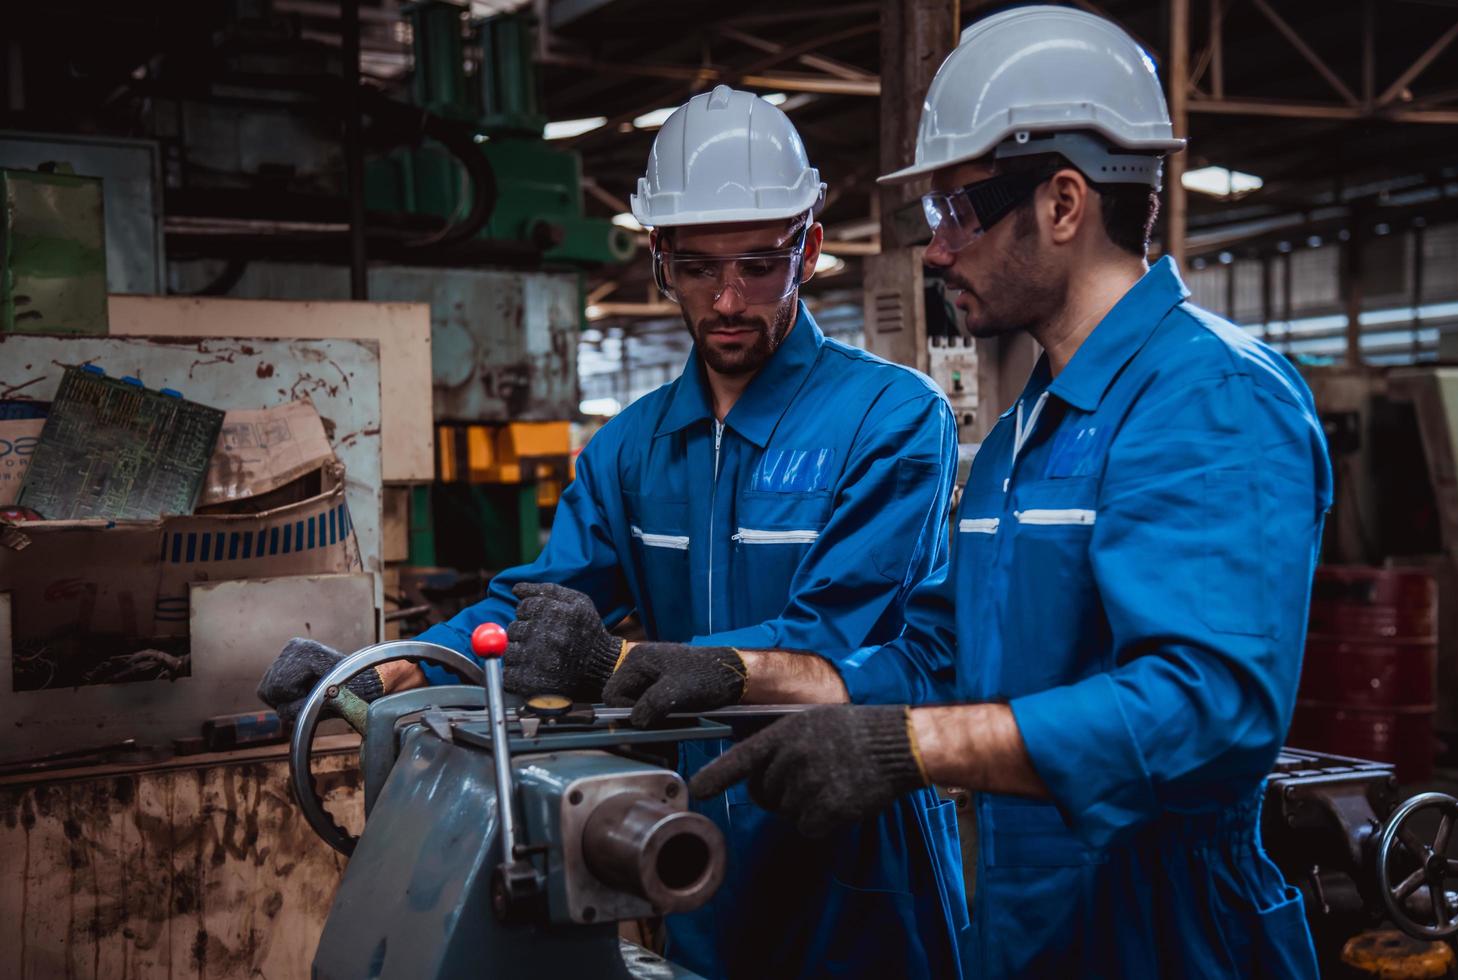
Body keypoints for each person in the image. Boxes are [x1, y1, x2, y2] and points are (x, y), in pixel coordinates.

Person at [512, 8, 1333, 977]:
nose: (936, 249)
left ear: (1064, 203)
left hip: (1170, 925)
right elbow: (942, 654)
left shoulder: (1210, 395)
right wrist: (741, 674)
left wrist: (910, 747)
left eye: (956, 211)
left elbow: (1210, 708)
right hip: (1036, 913)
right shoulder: (1038, 419)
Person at [257, 84, 966, 979]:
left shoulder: (892, 418)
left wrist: (624, 665)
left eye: (757, 262)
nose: (729, 299)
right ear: (659, 259)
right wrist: (379, 668)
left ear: (810, 249)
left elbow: (833, 645)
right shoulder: (629, 448)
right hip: (684, 838)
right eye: (698, 268)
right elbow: (539, 608)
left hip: (854, 853)